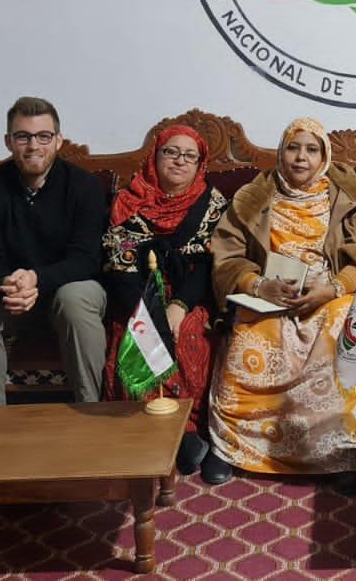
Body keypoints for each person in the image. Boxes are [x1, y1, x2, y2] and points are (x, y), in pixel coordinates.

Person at [205, 118, 356, 489]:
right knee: (250, 331)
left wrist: (335, 287)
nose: (301, 158)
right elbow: (226, 255)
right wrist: (258, 285)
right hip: (270, 295)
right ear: (281, 152)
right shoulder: (253, 196)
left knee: (341, 324)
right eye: (293, 148)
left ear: (324, 157)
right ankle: (230, 447)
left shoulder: (352, 195)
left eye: (311, 150)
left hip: (329, 292)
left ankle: (338, 452)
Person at [0, 96, 108, 406]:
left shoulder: (85, 187)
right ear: (9, 141)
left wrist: (37, 278)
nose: (33, 146)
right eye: (23, 136)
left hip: (68, 288)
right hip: (10, 292)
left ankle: (91, 411)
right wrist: (9, 283)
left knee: (75, 298)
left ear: (58, 141)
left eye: (43, 136)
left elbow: (87, 258)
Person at [101, 125, 228, 474]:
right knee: (138, 337)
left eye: (190, 156)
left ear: (200, 165)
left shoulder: (213, 204)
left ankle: (189, 429)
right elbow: (120, 266)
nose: (179, 161)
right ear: (154, 157)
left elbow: (209, 266)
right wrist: (148, 313)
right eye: (171, 152)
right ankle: (149, 430)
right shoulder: (127, 202)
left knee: (189, 333)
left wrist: (177, 307)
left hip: (190, 298)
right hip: (136, 298)